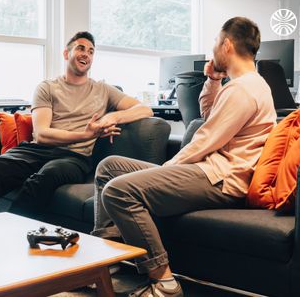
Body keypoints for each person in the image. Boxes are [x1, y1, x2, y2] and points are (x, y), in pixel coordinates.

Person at [92, 17, 277, 297]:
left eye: (215, 42)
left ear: (227, 45)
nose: (213, 48)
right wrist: (213, 79)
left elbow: (205, 139)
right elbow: (208, 116)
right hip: (210, 170)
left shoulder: (245, 89)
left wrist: (165, 169)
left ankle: (165, 282)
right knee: (109, 168)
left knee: (118, 190)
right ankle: (109, 262)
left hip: (222, 178)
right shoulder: (240, 85)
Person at [0, 31, 153, 218]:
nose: (86, 53)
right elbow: (42, 134)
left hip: (75, 158)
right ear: (66, 53)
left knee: (48, 175)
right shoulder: (47, 87)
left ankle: (12, 234)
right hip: (40, 150)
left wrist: (113, 117)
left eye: (91, 51)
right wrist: (86, 135)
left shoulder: (104, 90)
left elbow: (145, 109)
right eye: (80, 48)